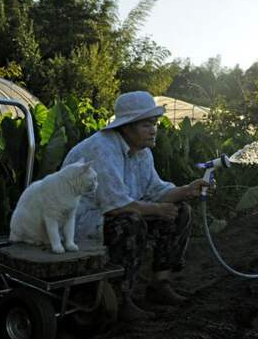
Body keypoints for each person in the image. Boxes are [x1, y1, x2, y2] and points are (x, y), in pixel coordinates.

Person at [62, 91, 209, 321]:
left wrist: (187, 190)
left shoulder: (142, 153)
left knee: (180, 211)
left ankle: (159, 284)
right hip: (81, 222)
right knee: (130, 222)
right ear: (127, 127)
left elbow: (156, 191)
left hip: (112, 214)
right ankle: (120, 298)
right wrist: (157, 209)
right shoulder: (101, 149)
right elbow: (114, 206)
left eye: (154, 124)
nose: (153, 130)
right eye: (146, 125)